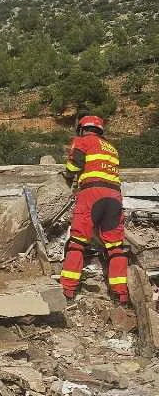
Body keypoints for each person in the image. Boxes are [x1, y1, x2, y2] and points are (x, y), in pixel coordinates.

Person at [60, 115, 127, 304]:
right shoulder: (112, 148)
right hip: (114, 197)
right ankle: (120, 294)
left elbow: (74, 165)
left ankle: (67, 291)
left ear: (82, 129)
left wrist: (66, 174)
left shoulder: (83, 140)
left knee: (77, 242)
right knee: (115, 246)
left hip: (91, 193)